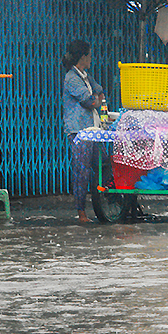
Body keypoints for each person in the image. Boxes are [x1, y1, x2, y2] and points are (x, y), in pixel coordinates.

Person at [62, 40, 105, 223]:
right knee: (82, 172)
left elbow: (99, 91)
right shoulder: (71, 78)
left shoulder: (86, 76)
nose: (91, 58)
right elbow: (90, 102)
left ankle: (106, 205)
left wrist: (97, 98)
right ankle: (81, 213)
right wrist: (97, 99)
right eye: (89, 55)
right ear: (83, 57)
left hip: (92, 129)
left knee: (103, 167)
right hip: (80, 132)